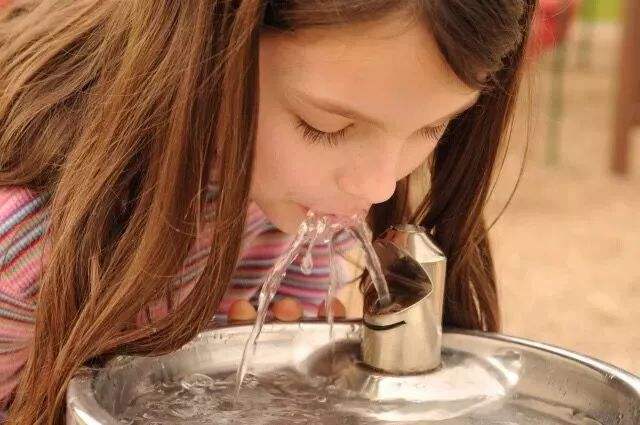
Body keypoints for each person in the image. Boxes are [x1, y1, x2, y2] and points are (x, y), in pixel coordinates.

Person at [0, 0, 535, 422]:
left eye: (432, 127)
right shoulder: (25, 238)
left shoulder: (301, 193)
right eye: (325, 128)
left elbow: (292, 305)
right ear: (211, 46)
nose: (378, 184)